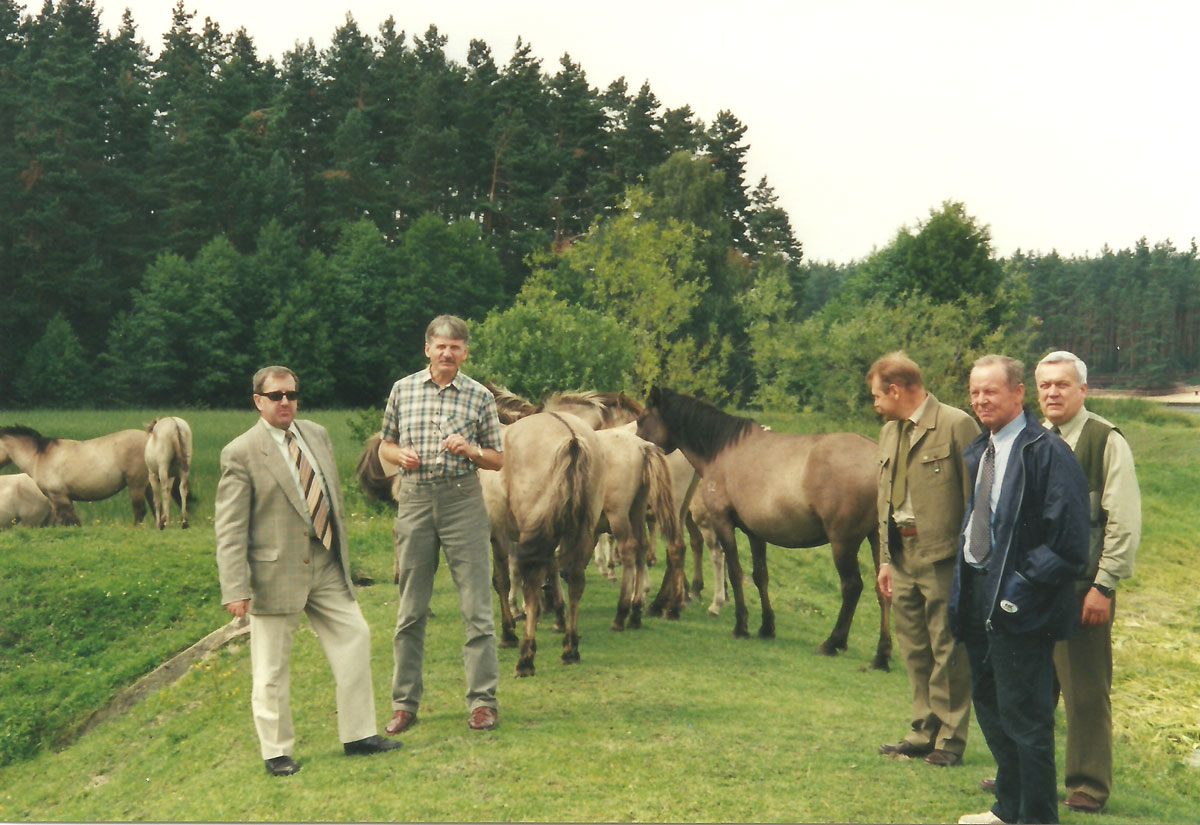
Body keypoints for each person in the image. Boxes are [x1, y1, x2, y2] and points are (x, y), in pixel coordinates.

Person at [215, 366, 400, 777]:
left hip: (326, 561)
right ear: (258, 401)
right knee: (271, 667)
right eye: (276, 396)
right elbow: (229, 528)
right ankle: (276, 751)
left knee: (355, 637)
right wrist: (235, 587)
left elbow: (329, 499)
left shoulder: (316, 434)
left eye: (292, 395)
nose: (285, 402)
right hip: (274, 572)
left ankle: (359, 734)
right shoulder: (240, 452)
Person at [951, 355, 1089, 825]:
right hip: (976, 594)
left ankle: (1037, 818)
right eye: (974, 392)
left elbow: (1070, 545)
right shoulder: (981, 450)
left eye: (990, 391)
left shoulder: (1047, 452)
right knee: (991, 708)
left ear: (1017, 394)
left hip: (1019, 604)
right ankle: (1008, 809)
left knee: (1026, 719)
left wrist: (1019, 590)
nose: (980, 400)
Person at [379, 315, 504, 735]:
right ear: (427, 349)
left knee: (477, 608)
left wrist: (471, 450)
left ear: (465, 352)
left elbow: (498, 459)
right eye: (440, 346)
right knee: (411, 609)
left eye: (455, 347)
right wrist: (399, 456)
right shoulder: (403, 390)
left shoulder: (479, 396)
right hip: (415, 498)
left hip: (462, 500)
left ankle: (483, 702)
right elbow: (385, 444)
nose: (447, 353)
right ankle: (404, 704)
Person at [1036, 351, 1140, 813]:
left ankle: (1088, 785)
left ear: (1083, 389)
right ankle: (1026, 771)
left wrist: (1104, 586)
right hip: (1034, 589)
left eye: (1062, 384)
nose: (1052, 393)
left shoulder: (1105, 440)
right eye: (1045, 385)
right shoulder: (1035, 438)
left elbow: (1123, 521)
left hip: (1082, 590)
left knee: (1084, 693)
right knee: (1032, 688)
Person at [868, 352, 979, 767]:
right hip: (902, 553)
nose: (875, 403)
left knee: (947, 646)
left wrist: (971, 561)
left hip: (944, 555)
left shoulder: (955, 424)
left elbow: (976, 498)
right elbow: (885, 500)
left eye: (877, 395)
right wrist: (884, 560)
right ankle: (921, 732)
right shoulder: (888, 433)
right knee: (914, 646)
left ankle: (949, 740)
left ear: (896, 390)